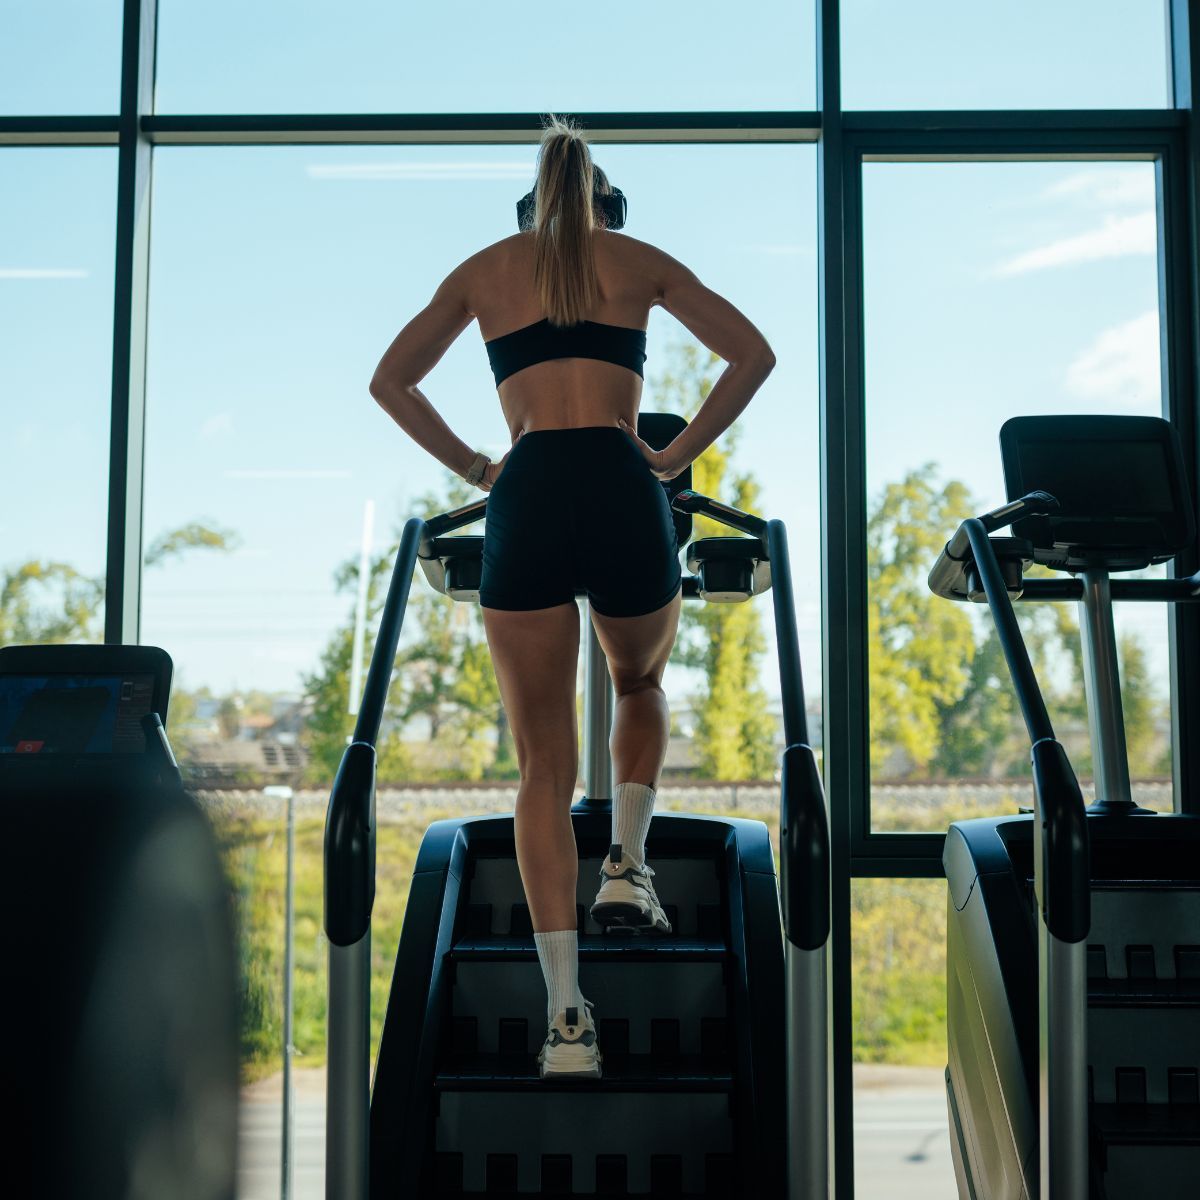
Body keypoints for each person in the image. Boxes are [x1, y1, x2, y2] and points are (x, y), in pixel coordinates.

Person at [367, 113, 776, 1080]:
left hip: (530, 491)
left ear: (531, 214)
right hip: (622, 485)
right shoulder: (639, 260)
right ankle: (626, 870)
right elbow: (753, 355)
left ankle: (564, 1020)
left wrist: (476, 463)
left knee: (540, 768)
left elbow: (391, 381)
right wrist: (673, 455)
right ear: (606, 210)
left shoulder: (485, 270)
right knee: (636, 685)